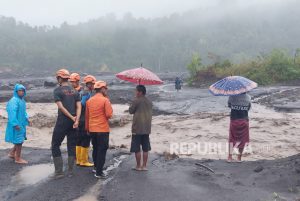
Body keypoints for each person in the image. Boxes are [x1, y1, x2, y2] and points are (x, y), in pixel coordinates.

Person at [51, 69, 81, 178]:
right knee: (71, 145)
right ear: (67, 79)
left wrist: (72, 118)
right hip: (74, 122)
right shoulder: (75, 91)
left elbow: (61, 107)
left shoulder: (57, 91)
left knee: (55, 144)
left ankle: (59, 172)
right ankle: (71, 171)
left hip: (63, 121)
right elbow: (79, 106)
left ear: (59, 78)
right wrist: (76, 120)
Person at [85, 81, 113, 179]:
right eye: (105, 88)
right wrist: (108, 101)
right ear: (102, 89)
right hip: (102, 129)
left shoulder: (89, 101)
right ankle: (99, 172)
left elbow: (87, 117)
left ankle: (96, 167)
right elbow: (109, 115)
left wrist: (87, 129)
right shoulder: (105, 100)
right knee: (102, 150)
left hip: (92, 129)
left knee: (96, 148)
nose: (106, 90)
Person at [129, 85, 153, 171]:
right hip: (146, 128)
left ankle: (138, 166)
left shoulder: (136, 101)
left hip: (137, 128)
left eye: (136, 91)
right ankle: (144, 166)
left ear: (140, 92)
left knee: (137, 148)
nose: (135, 92)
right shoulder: (149, 101)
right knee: (145, 148)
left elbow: (131, 111)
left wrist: (134, 101)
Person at [5, 84, 30, 164]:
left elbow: (23, 112)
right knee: (19, 141)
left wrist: (27, 118)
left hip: (21, 123)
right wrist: (15, 124)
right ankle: (17, 158)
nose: (21, 92)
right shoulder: (14, 100)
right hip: (16, 124)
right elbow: (11, 113)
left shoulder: (22, 100)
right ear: (16, 91)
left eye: (23, 90)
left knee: (19, 139)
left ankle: (12, 153)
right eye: (20, 90)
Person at [76, 75, 96, 167]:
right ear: (89, 84)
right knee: (85, 139)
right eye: (93, 84)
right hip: (84, 119)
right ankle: (84, 161)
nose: (94, 85)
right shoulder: (86, 93)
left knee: (79, 139)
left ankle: (79, 160)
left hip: (79, 118)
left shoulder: (80, 91)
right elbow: (83, 103)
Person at [227, 92, 251, 162]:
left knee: (232, 138)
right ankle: (239, 158)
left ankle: (229, 157)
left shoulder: (232, 96)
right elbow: (248, 108)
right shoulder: (248, 97)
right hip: (244, 121)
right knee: (243, 140)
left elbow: (229, 105)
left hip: (234, 120)